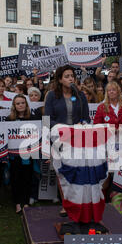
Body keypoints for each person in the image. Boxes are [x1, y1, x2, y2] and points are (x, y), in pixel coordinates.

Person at [44, 65, 91, 216]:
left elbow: (86, 118)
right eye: (67, 76)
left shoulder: (80, 96)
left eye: (72, 76)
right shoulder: (52, 95)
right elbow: (47, 120)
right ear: (59, 79)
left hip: (77, 139)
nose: (71, 78)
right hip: (60, 138)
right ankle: (66, 204)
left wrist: (83, 125)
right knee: (62, 173)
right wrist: (64, 128)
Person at [6, 94, 38, 213]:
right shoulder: (9, 119)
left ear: (26, 104)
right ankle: (17, 203)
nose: (20, 105)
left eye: (23, 103)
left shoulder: (32, 118)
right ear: (14, 105)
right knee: (15, 178)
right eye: (18, 103)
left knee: (27, 177)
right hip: (14, 156)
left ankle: (25, 202)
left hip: (28, 155)